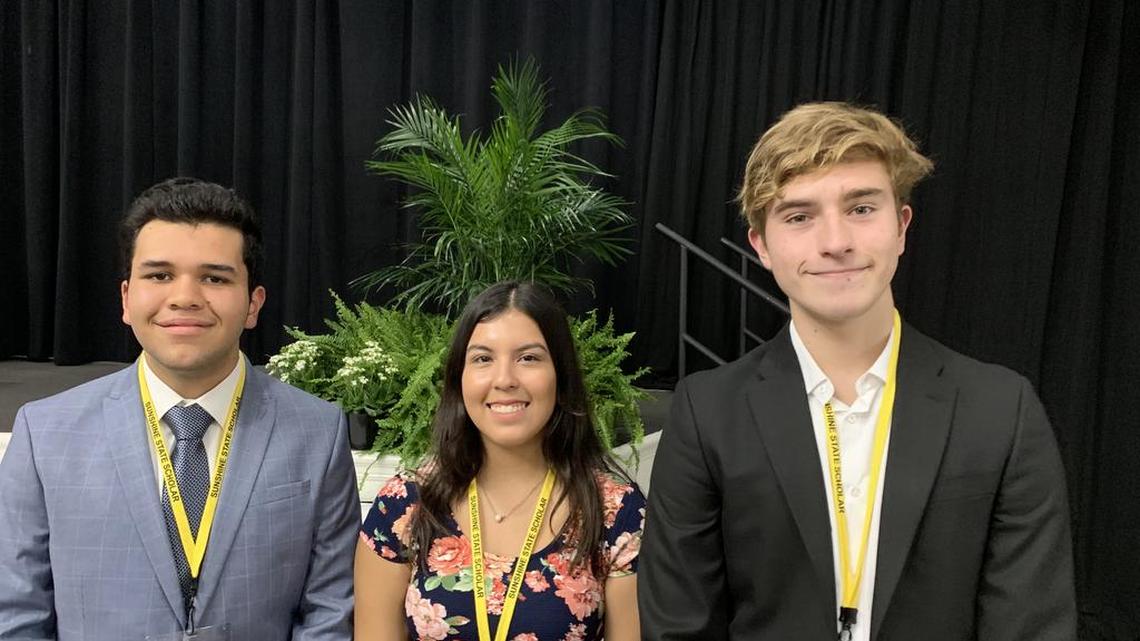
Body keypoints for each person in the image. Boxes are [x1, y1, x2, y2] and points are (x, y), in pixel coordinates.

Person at [639, 102, 1077, 640]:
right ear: (762, 246)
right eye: (799, 216)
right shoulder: (707, 413)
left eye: (862, 208)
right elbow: (679, 627)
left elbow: (1031, 628)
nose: (836, 242)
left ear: (901, 225)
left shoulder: (1001, 410)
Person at [0, 177, 359, 640]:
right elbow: (17, 612)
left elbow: (329, 611)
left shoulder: (317, 432)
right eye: (160, 275)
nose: (185, 297)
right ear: (127, 299)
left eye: (214, 278)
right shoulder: (44, 433)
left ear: (253, 304)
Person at [354, 282, 645, 641]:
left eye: (529, 358)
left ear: (561, 374)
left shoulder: (616, 510)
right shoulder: (405, 503)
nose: (505, 379)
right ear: (459, 378)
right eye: (482, 359)